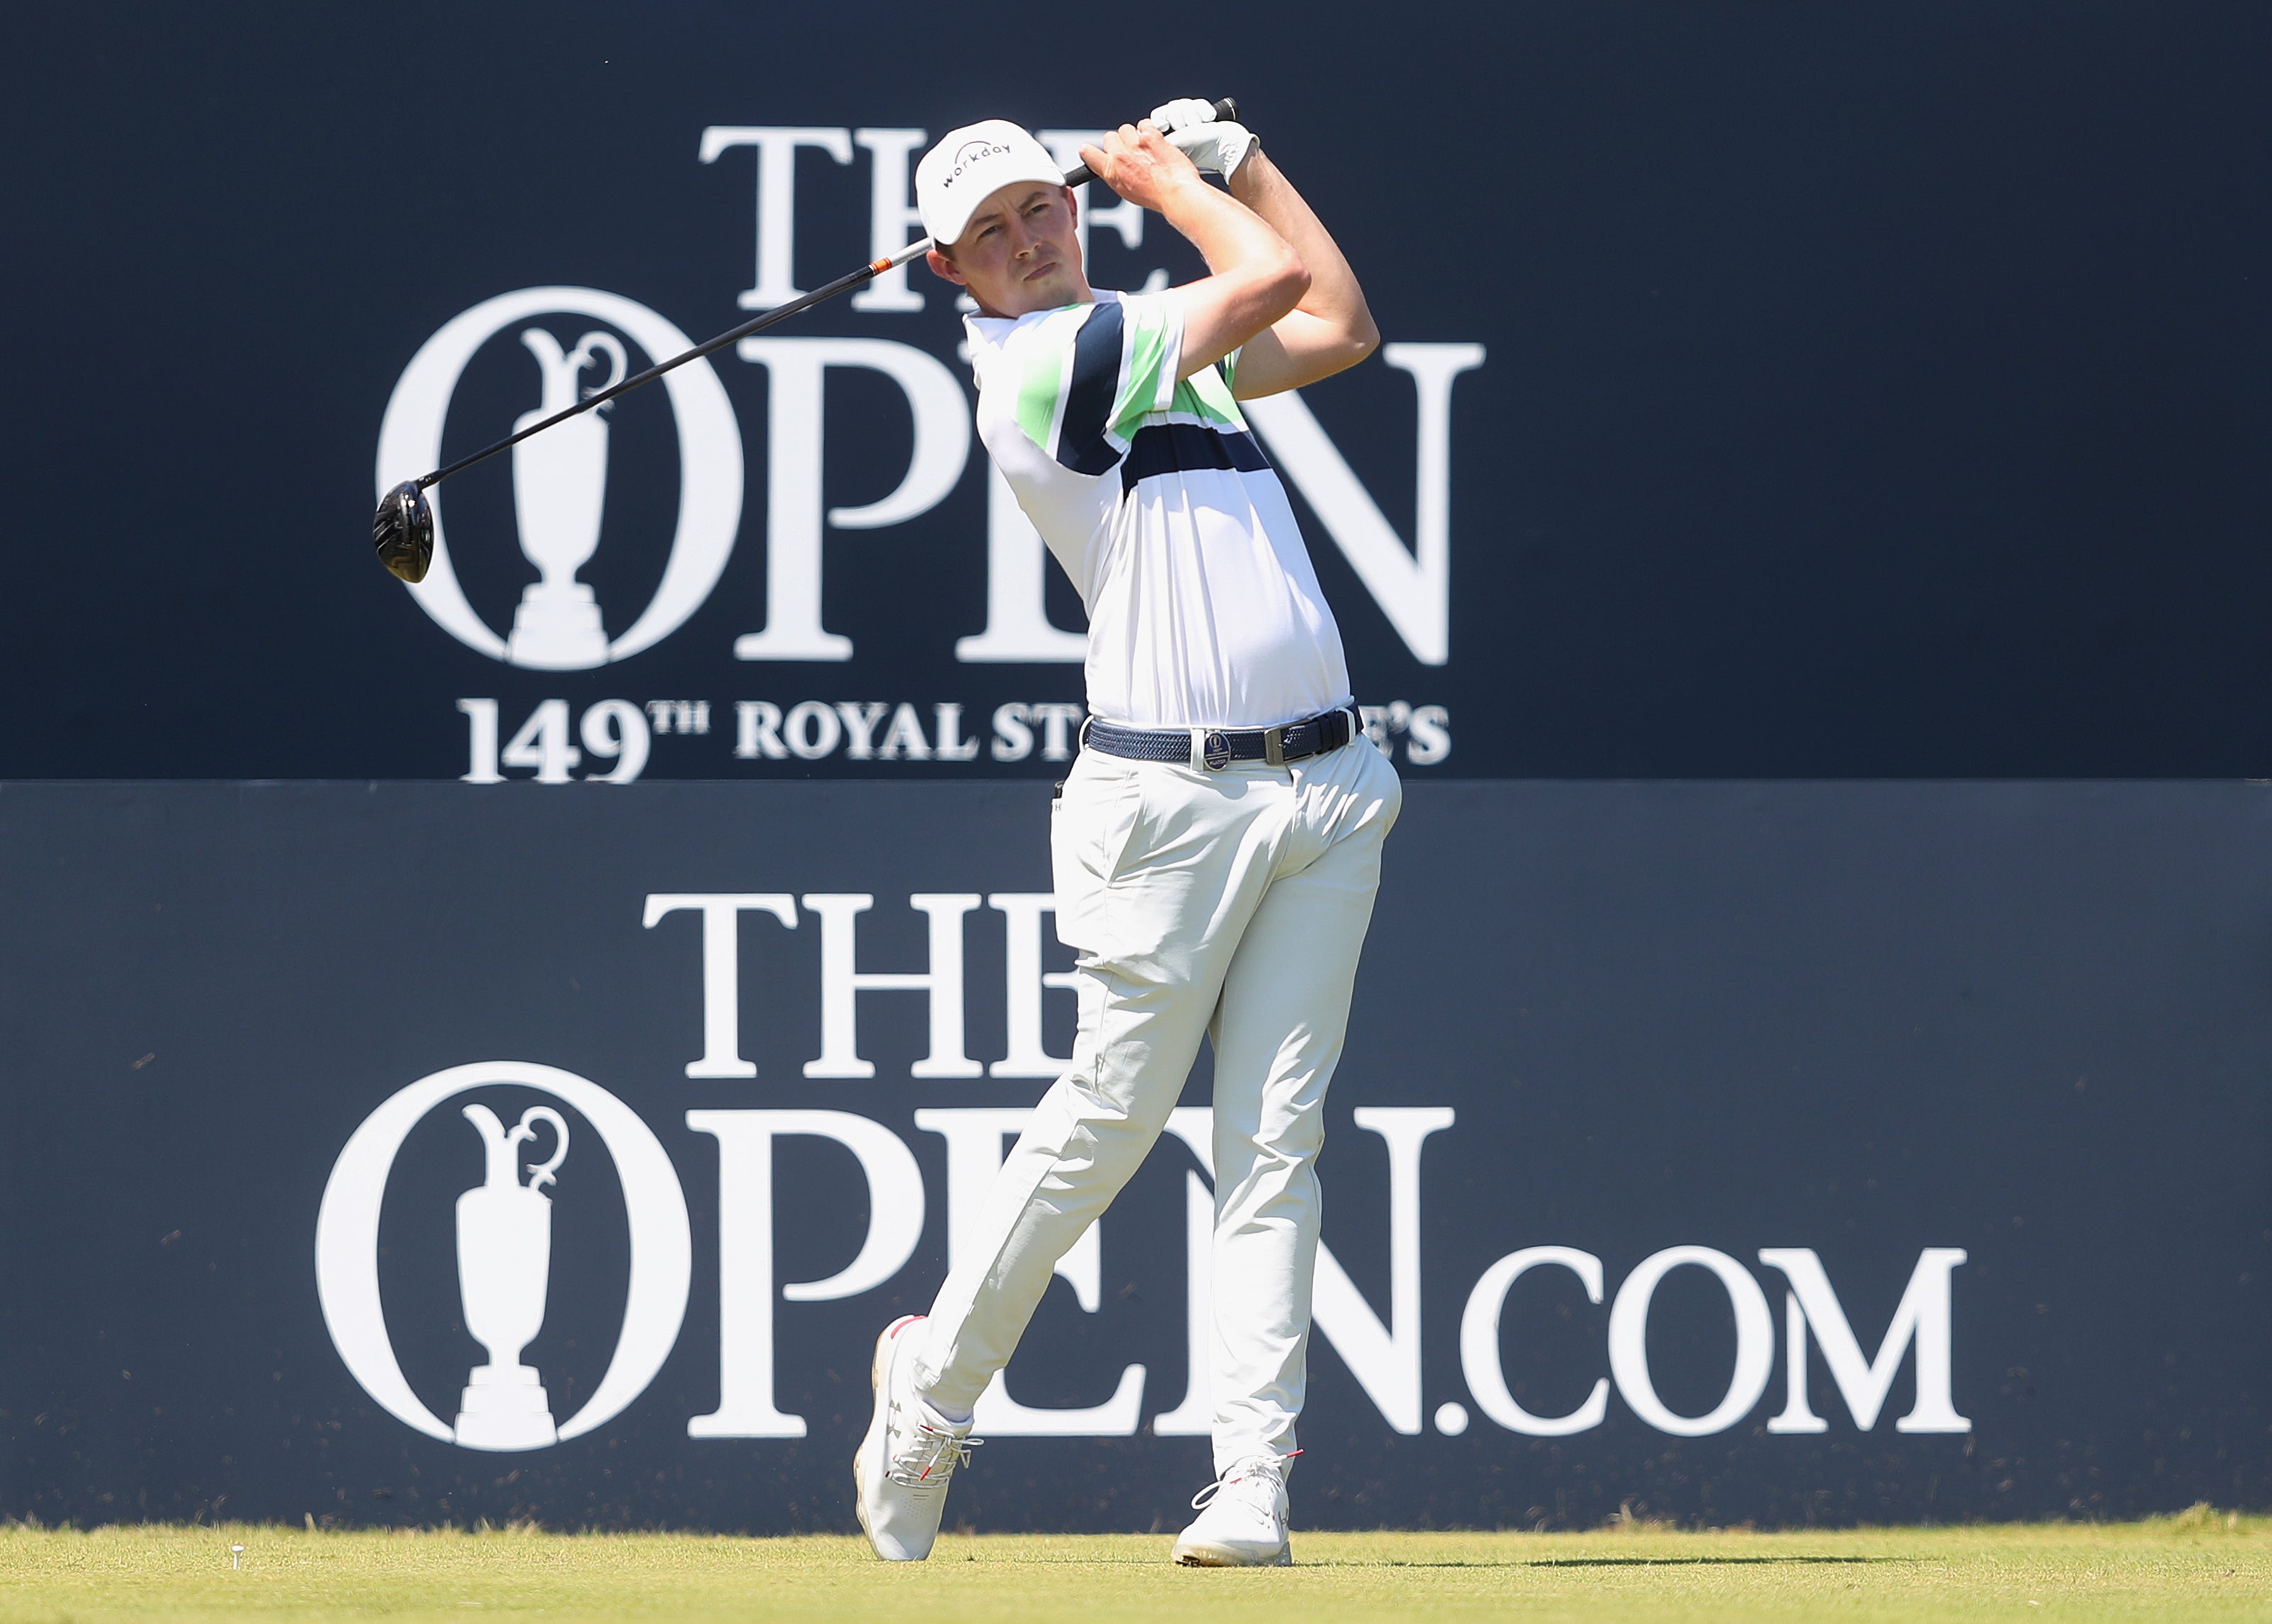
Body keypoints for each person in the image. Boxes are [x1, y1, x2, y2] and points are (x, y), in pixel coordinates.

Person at [854, 100, 1399, 1568]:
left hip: (1329, 786)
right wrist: (1174, 183)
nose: (1030, 241)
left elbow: (1338, 323)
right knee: (1104, 1126)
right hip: (1165, 807)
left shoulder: (1171, 357)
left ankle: (1250, 1483)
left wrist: (1249, 163)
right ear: (950, 275)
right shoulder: (1038, 365)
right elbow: (1267, 285)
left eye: (1042, 210)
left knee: (1274, 1142)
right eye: (992, 234)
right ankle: (932, 1391)